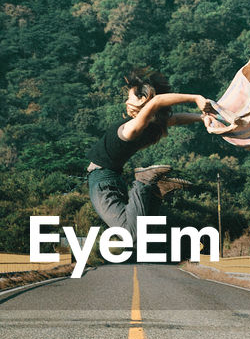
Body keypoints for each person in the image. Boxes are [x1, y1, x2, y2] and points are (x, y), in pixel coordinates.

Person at [86, 68, 216, 234]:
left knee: (129, 234)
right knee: (143, 232)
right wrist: (201, 117)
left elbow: (158, 102)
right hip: (113, 178)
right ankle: (154, 190)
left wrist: (196, 98)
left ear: (143, 100)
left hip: (101, 180)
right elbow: (175, 119)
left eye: (129, 98)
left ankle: (144, 182)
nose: (126, 102)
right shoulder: (151, 126)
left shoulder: (133, 128)